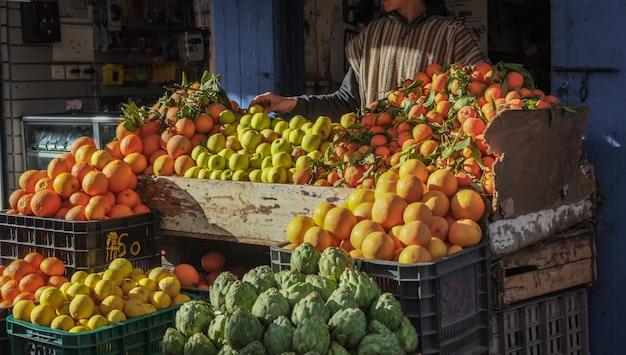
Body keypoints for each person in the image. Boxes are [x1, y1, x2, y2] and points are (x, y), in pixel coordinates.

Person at [250, 0, 490, 120]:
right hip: (374, 167)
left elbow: (481, 104)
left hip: (430, 174)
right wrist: (291, 103)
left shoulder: (453, 36)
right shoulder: (373, 36)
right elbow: (346, 102)